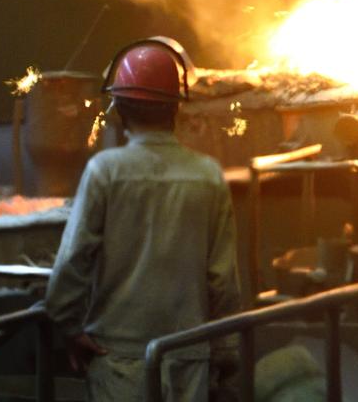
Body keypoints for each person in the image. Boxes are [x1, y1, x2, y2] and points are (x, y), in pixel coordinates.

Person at [45, 37, 243, 402]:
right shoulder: (208, 176)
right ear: (176, 108)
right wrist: (226, 350)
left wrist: (69, 327)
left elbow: (74, 260)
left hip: (119, 357)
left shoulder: (105, 171)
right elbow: (222, 277)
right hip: (188, 353)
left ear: (118, 107)